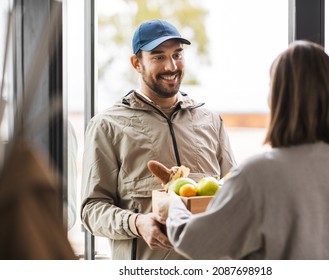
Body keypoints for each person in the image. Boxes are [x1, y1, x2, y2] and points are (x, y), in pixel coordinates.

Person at [163, 40, 329, 260]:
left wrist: (174, 205)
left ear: (279, 96)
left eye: (270, 85)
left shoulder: (259, 173)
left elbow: (195, 242)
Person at [80, 19, 236, 260]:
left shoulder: (211, 121)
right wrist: (137, 222)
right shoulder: (107, 125)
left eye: (177, 54)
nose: (171, 66)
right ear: (136, 63)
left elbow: (233, 192)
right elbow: (91, 211)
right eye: (158, 57)